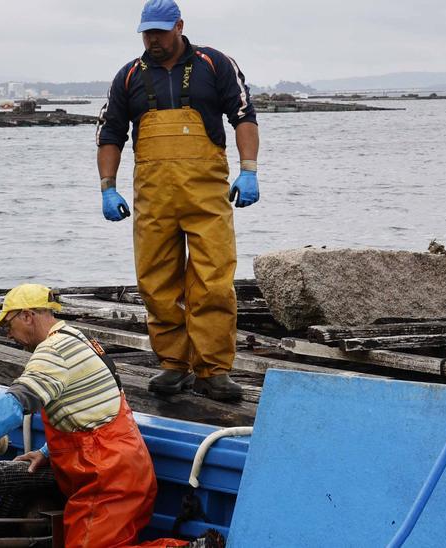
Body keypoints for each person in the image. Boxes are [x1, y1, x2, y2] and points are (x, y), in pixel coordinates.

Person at [0, 284, 170, 548]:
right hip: (122, 467)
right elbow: (91, 412)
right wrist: (48, 452)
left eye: (8, 325)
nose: (9, 334)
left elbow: (13, 405)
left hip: (108, 478)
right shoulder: (77, 338)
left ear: (27, 316)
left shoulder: (54, 351)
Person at [97, 0, 259, 401]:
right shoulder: (129, 76)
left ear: (179, 27)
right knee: (156, 282)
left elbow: (244, 116)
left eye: (159, 31)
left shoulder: (215, 64)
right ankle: (173, 365)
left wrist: (250, 169)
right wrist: (107, 186)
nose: (152, 39)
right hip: (153, 198)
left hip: (206, 194)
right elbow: (110, 132)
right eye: (146, 32)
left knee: (213, 282)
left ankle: (213, 371)